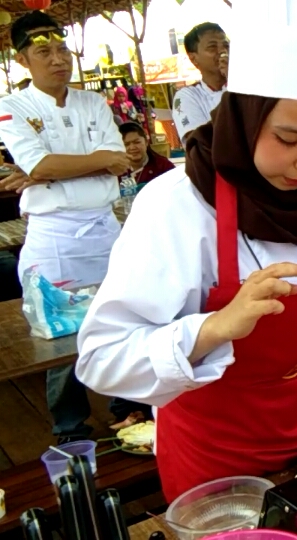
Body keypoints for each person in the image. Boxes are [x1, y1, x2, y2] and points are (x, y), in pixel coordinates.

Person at [75, 0, 297, 502]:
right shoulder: (177, 205)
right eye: (287, 138)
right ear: (244, 118)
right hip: (216, 451)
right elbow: (102, 358)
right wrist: (214, 328)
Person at [0, 11, 130, 444]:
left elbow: (120, 158)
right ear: (22, 60)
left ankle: (126, 409)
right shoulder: (12, 107)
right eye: (43, 52)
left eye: (62, 50)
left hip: (103, 228)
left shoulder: (91, 101)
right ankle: (70, 428)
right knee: (60, 338)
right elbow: (40, 163)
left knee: (120, 318)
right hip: (54, 237)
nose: (57, 59)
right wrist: (67, 167)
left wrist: (50, 172)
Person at [172, 23, 228, 141]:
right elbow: (200, 143)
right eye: (212, 47)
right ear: (193, 58)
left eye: (226, 45)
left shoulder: (249, 88)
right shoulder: (185, 97)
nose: (223, 51)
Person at [119, 121, 175, 187]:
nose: (132, 147)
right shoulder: (116, 171)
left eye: (137, 142)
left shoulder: (164, 166)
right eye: (126, 144)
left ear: (146, 142)